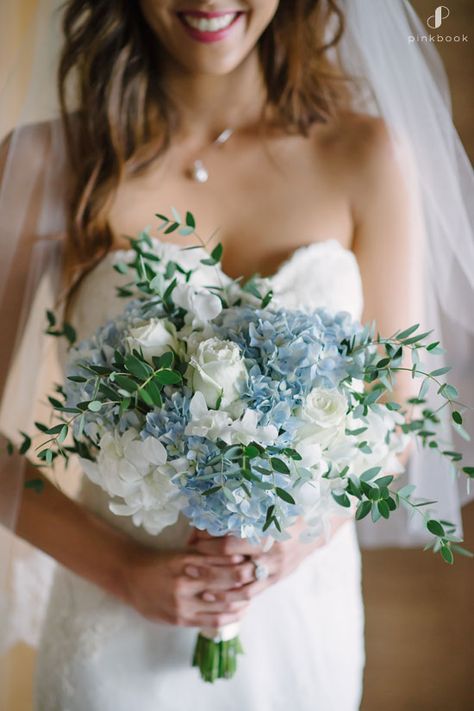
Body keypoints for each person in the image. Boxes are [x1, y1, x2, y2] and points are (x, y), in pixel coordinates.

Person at [0, 2, 472, 710]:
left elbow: (397, 413)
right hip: (112, 627)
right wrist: (126, 570)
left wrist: (296, 543)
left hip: (298, 627)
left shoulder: (365, 156)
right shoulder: (44, 161)